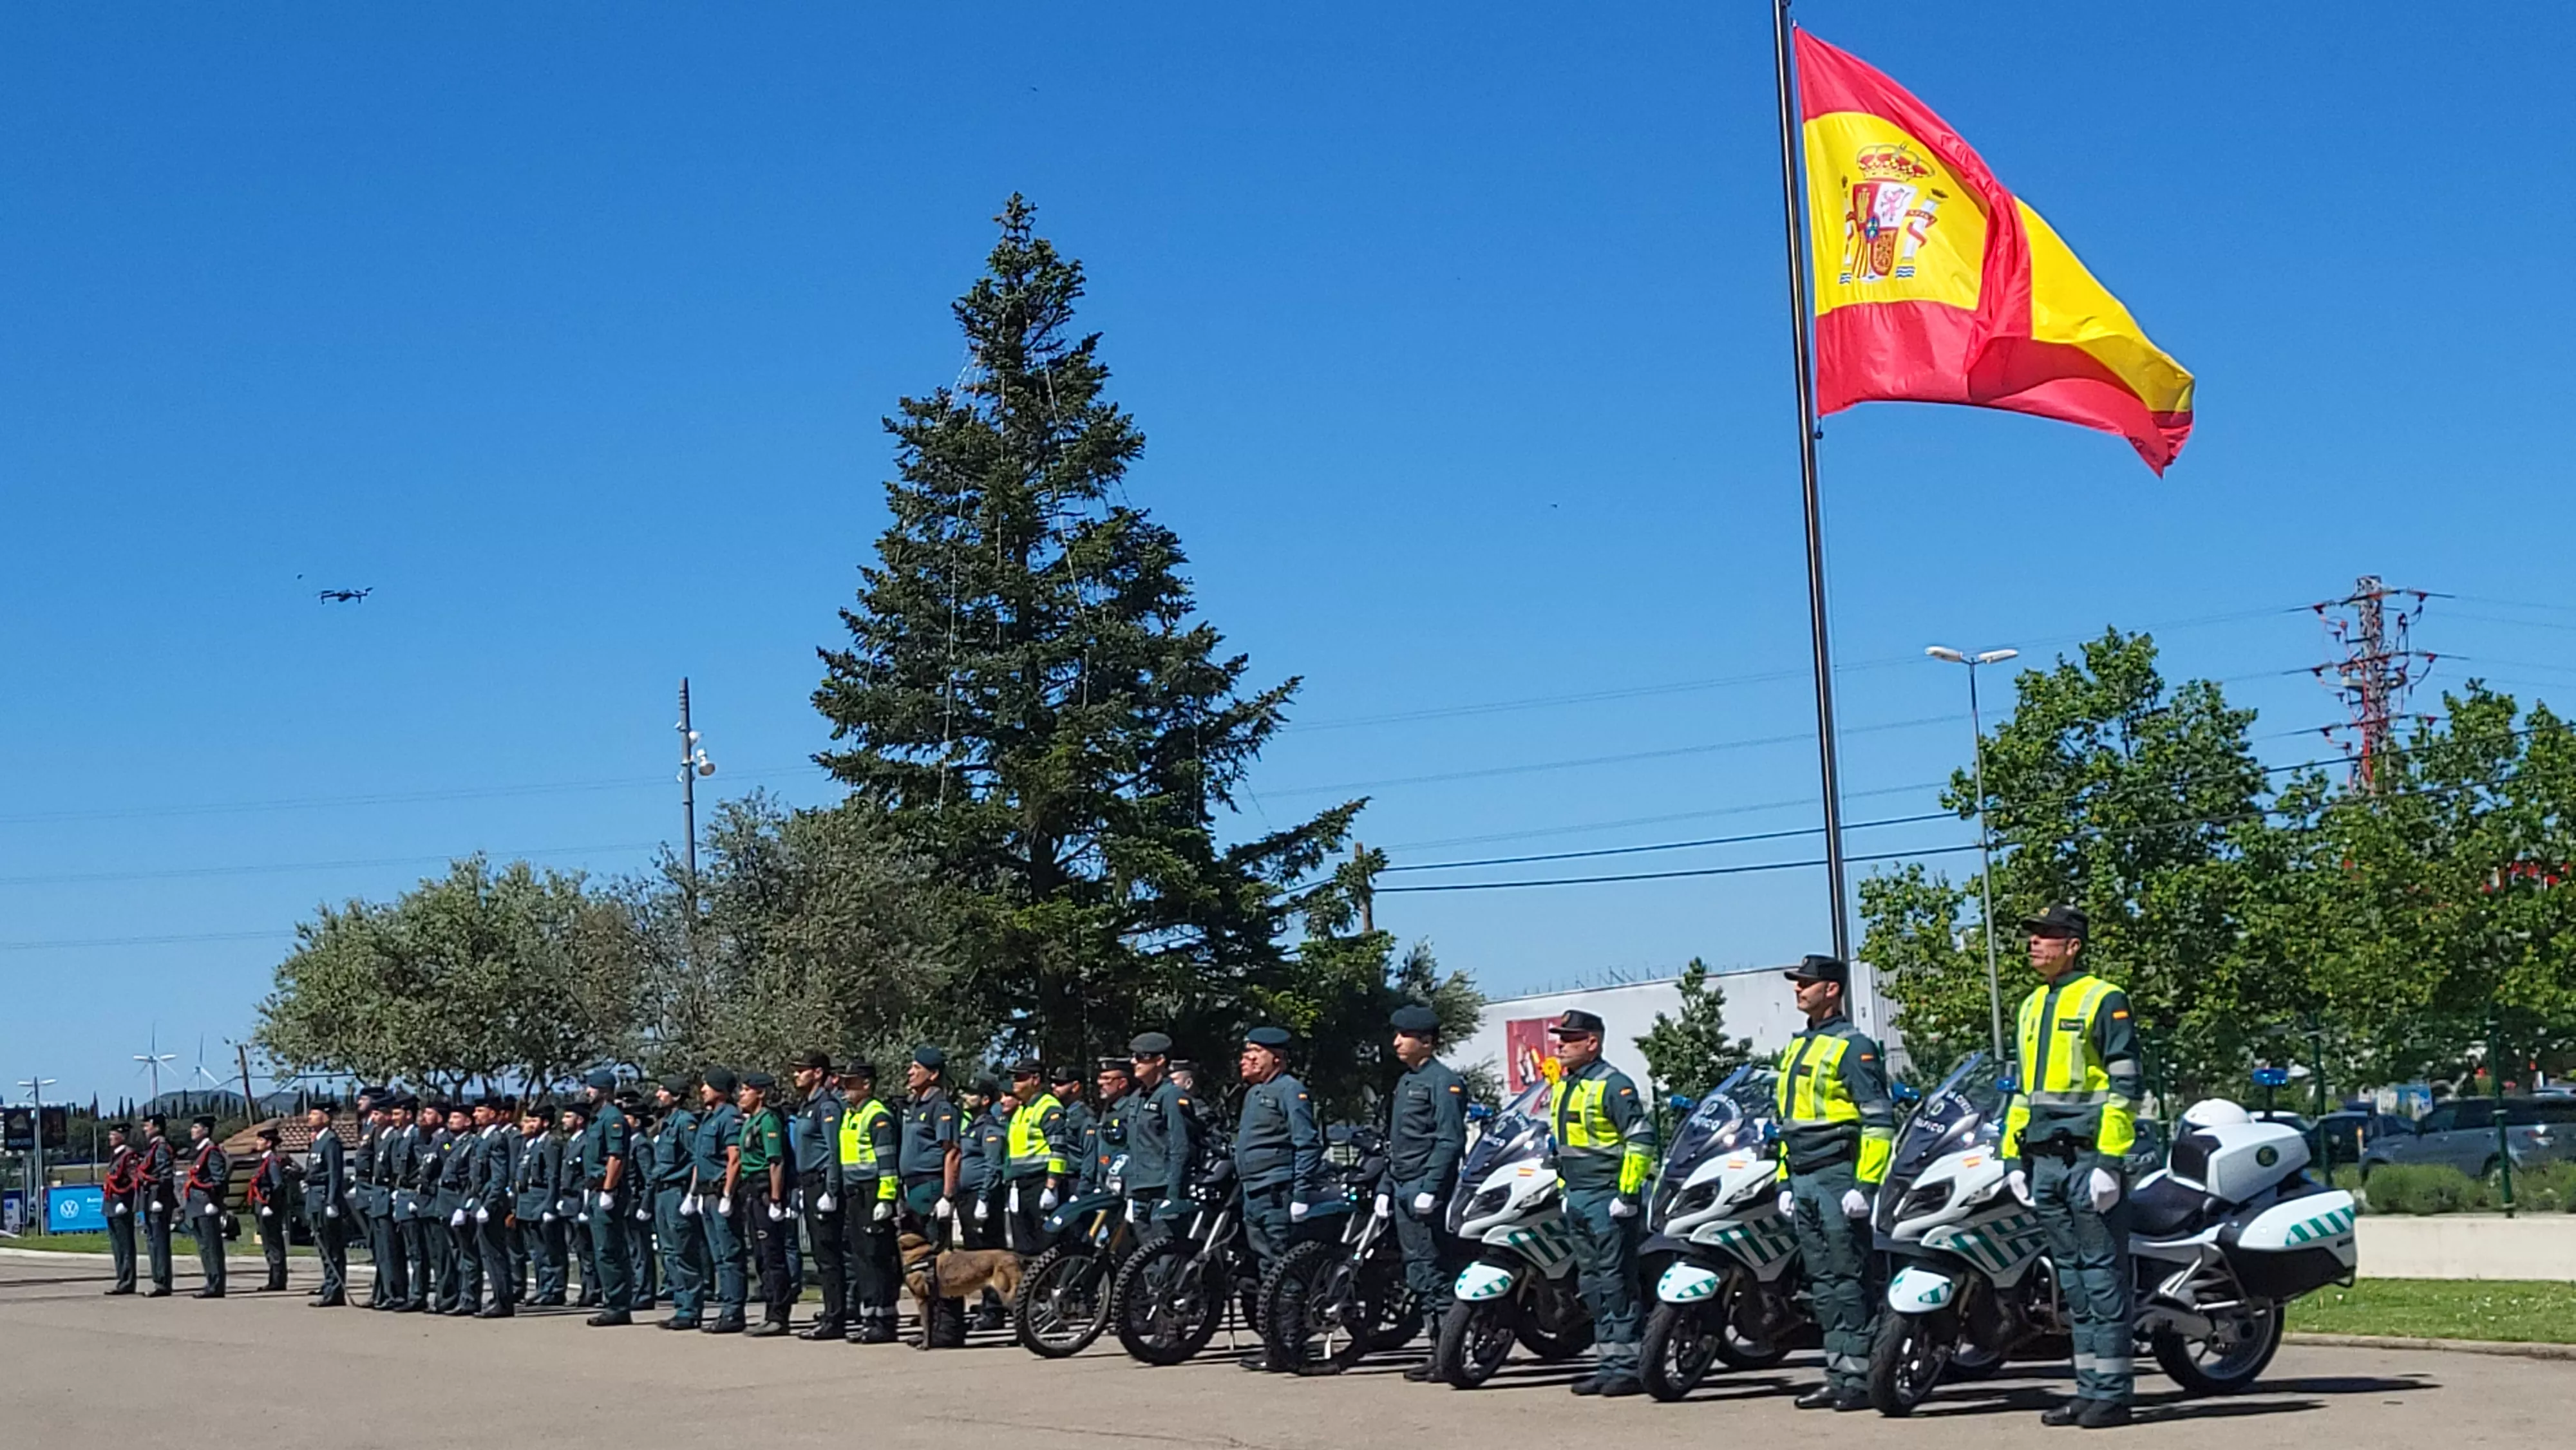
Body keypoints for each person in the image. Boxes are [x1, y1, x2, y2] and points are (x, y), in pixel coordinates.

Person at [2000, 904, 2143, 1429]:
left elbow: (2125, 1088)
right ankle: (2090, 1389)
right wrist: (2010, 1156)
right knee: (2074, 1284)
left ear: (2074, 945)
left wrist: (2109, 1162)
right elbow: (2022, 1092)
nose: (2035, 943)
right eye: (2033, 935)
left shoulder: (2104, 998)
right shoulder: (2032, 1005)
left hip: (2087, 1159)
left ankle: (2113, 1394)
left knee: (2102, 1280)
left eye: (2047, 936)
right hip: (2044, 1161)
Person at [1774, 954, 1895, 1411]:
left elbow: (1879, 1121)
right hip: (1804, 1177)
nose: (1798, 990)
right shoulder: (1797, 1047)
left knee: (1849, 1280)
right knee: (1823, 1283)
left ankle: (1862, 1376)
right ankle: (1838, 1372)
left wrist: (1864, 1187)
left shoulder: (1854, 1046)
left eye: (1807, 983)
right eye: (1797, 984)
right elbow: (1787, 1122)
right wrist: (1785, 1180)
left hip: (1837, 1174)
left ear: (1832, 989)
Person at [1545, 1010, 1656, 1397]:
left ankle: (1628, 1366)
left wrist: (1627, 1196)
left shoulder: (1614, 1086)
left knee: (1616, 1283)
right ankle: (1608, 1362)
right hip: (1578, 1197)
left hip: (1607, 1196)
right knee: (1592, 1285)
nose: (1560, 1044)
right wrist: (1563, 1190)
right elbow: (1562, 1148)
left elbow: (1640, 1142)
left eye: (1569, 1038)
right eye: (1560, 1037)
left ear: (1592, 1042)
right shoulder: (1565, 1085)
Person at [1233, 1026, 1322, 1370]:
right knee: (1267, 1269)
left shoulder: (1290, 1090)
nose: (1247, 1058)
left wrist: (1301, 1193)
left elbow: (1306, 1142)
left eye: (1254, 1052)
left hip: (1278, 1192)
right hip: (1254, 1192)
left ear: (1277, 1057)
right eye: (1245, 1052)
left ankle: (1290, 1345)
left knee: (1284, 1269)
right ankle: (1275, 1344)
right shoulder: (1255, 1094)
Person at [1386, 1004, 1467, 1380]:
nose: (1397, 1042)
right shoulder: (1406, 1082)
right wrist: (1389, 1186)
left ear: (1427, 1042)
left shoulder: (1444, 1082)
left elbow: (1450, 1140)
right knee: (1419, 1271)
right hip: (1404, 1185)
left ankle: (1447, 1354)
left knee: (1436, 1271)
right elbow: (1399, 1142)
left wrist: (1431, 1188)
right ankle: (1436, 1351)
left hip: (1426, 1187)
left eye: (1405, 1036)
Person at [896, 1046, 965, 1347]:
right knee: (924, 1265)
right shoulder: (915, 1105)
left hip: (932, 1186)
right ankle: (931, 1327)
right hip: (914, 1188)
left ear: (933, 1074)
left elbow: (952, 1152)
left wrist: (948, 1196)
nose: (910, 1073)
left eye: (916, 1068)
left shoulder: (942, 1107)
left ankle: (948, 1329)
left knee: (940, 1262)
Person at [834, 1060, 901, 1344]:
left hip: (873, 1192)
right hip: (855, 1193)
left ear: (866, 1084)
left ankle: (884, 1319)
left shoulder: (877, 1116)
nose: (844, 1089)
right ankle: (869, 1316)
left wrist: (886, 1198)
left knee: (877, 1258)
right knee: (861, 1257)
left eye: (851, 1083)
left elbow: (887, 1162)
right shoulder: (851, 1115)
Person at [790, 1051, 848, 1339]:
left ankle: (836, 1317)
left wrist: (832, 1189)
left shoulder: (827, 1107)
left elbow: (834, 1150)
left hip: (823, 1182)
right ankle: (831, 1310)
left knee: (829, 1254)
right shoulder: (807, 1106)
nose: (796, 1075)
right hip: (809, 1183)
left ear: (818, 1073)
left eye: (802, 1070)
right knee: (821, 1252)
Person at [734, 1070, 794, 1337]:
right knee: (760, 1255)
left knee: (772, 1256)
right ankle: (769, 1310)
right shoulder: (751, 1121)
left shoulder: (768, 1120)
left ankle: (779, 1314)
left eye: (747, 1090)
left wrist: (776, 1198)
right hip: (751, 1191)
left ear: (760, 1093)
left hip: (764, 1192)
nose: (742, 1094)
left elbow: (775, 1162)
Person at [688, 1068, 747, 1333]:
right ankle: (726, 1308)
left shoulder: (729, 1117)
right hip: (706, 1193)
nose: (702, 1090)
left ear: (721, 1090)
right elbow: (700, 1161)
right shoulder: (708, 1119)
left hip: (721, 1193)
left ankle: (734, 1312)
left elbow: (734, 1158)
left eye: (708, 1086)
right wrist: (694, 1193)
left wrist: (727, 1194)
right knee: (718, 1255)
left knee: (730, 1253)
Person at [646, 1077, 705, 1331]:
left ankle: (691, 1309)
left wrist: (693, 1195)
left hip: (678, 1192)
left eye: (664, 1091)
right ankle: (681, 1305)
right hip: (662, 1192)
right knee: (669, 1253)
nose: (659, 1094)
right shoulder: (666, 1124)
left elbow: (695, 1160)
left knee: (684, 1252)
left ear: (677, 1096)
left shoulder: (685, 1123)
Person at [579, 1069, 637, 1326]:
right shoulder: (599, 1118)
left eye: (591, 1088)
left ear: (602, 1090)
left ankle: (618, 1305)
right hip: (594, 1189)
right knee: (602, 1250)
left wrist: (609, 1190)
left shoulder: (613, 1118)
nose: (587, 1092)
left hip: (606, 1190)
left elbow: (616, 1157)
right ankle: (613, 1301)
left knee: (609, 1250)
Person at [1121, 1033, 1197, 1228]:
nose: (1134, 1062)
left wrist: (1173, 1193)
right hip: (1139, 1189)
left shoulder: (1172, 1096)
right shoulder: (1136, 1098)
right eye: (1133, 1056)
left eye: (1141, 1057)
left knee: (1166, 1253)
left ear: (1160, 1061)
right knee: (1143, 1255)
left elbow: (1180, 1146)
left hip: (1162, 1188)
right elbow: (1132, 1147)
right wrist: (1130, 1193)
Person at [1001, 1061, 1068, 1255]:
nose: (1015, 1083)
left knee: (1045, 1246)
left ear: (1035, 1079)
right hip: (1021, 1185)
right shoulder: (1022, 1110)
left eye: (1020, 1078)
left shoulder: (1048, 1107)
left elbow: (1059, 1149)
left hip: (1041, 1183)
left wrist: (1051, 1186)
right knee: (1023, 1247)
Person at [515, 1104, 568, 1307]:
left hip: (542, 1199)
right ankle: (543, 1287)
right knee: (537, 1251)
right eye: (527, 1121)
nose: (527, 1125)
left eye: (533, 1121)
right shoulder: (529, 1144)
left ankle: (554, 1290)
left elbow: (554, 1176)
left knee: (550, 1250)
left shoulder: (550, 1143)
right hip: (528, 1201)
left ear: (545, 1123)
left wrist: (551, 1205)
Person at [475, 1097, 524, 1318]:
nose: (476, 1115)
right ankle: (498, 1295)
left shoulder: (496, 1139)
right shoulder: (482, 1138)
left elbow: (499, 1176)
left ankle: (504, 1300)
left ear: (493, 1115)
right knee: (488, 1253)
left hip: (491, 1204)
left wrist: (489, 1203)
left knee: (495, 1253)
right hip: (481, 1200)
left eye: (480, 1111)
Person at [440, 1102, 486, 1315]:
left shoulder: (472, 1143)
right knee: (455, 1253)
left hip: (460, 1200)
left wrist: (464, 1205)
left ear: (468, 1122)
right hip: (447, 1201)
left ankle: (470, 1298)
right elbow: (444, 1153)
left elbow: (471, 1178)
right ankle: (459, 1295)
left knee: (467, 1254)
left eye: (456, 1118)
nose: (451, 1121)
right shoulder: (453, 1144)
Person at [302, 1104, 349, 1306]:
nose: (310, 1118)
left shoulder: (331, 1141)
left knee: (332, 1247)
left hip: (323, 1197)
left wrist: (332, 1200)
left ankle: (335, 1290)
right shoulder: (317, 1141)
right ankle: (328, 1284)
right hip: (314, 1196)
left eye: (315, 1114)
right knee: (322, 1246)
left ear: (326, 1117)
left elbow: (334, 1173)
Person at [556, 1100, 601, 1308]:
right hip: (569, 1202)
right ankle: (587, 1288)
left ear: (580, 1120)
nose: (564, 1120)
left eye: (568, 1116)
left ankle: (593, 1290)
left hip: (580, 1201)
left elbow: (585, 1176)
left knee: (588, 1250)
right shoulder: (572, 1142)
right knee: (580, 1249)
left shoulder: (585, 1142)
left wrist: (585, 1206)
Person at [181, 1114, 230, 1299]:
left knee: (211, 1246)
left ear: (206, 1131)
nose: (192, 1131)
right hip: (197, 1204)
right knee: (204, 1246)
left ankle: (216, 1284)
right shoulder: (200, 1151)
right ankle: (211, 1281)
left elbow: (219, 1180)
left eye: (196, 1128)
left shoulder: (212, 1151)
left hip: (206, 1204)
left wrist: (212, 1201)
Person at [618, 1091, 659, 1313]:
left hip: (637, 1203)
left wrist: (645, 1205)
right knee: (632, 1249)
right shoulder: (630, 1143)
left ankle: (644, 1293)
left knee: (641, 1250)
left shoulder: (641, 1145)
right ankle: (637, 1289)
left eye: (627, 1118)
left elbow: (649, 1177)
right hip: (627, 1202)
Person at [378, 1098, 419, 1312]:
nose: (394, 1119)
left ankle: (417, 1294)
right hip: (400, 1194)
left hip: (413, 1195)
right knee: (405, 1249)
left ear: (409, 1115)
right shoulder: (398, 1137)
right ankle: (403, 1294)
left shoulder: (416, 1135)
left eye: (397, 1114)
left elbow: (429, 1161)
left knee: (417, 1252)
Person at [244, 1126, 292, 1292]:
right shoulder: (264, 1160)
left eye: (261, 1140)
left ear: (269, 1143)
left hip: (269, 1207)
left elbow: (277, 1185)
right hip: (262, 1205)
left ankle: (278, 1279)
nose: (258, 1143)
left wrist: (269, 1205)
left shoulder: (272, 1161)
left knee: (273, 1243)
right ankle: (274, 1278)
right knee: (268, 1243)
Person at [101, 1124, 142, 1295]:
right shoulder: (116, 1155)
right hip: (112, 1203)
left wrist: (126, 1202)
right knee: (117, 1245)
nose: (110, 1138)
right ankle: (122, 1279)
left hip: (121, 1203)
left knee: (125, 1245)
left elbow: (134, 1181)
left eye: (113, 1134)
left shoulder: (129, 1155)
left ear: (123, 1136)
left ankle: (128, 1280)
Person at [138, 1113, 176, 1296]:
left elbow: (165, 1176)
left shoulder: (161, 1148)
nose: (145, 1129)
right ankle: (158, 1279)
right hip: (150, 1197)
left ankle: (162, 1282)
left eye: (148, 1126)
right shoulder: (153, 1148)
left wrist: (160, 1200)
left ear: (158, 1127)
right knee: (153, 1242)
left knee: (159, 1242)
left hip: (157, 1199)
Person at [1086, 1059, 1133, 1194]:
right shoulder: (1108, 1109)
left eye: (1107, 1079)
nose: (1100, 1083)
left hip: (1123, 1185)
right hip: (1104, 1183)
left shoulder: (1130, 1109)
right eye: (1100, 1078)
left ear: (1122, 1083)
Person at [1049, 1064, 1093, 1194]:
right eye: (1053, 1083)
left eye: (1060, 1084)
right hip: (1059, 1180)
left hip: (1075, 1180)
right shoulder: (1058, 1113)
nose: (1053, 1087)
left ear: (1075, 1087)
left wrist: (1083, 1190)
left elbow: (1089, 1156)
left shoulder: (1084, 1117)